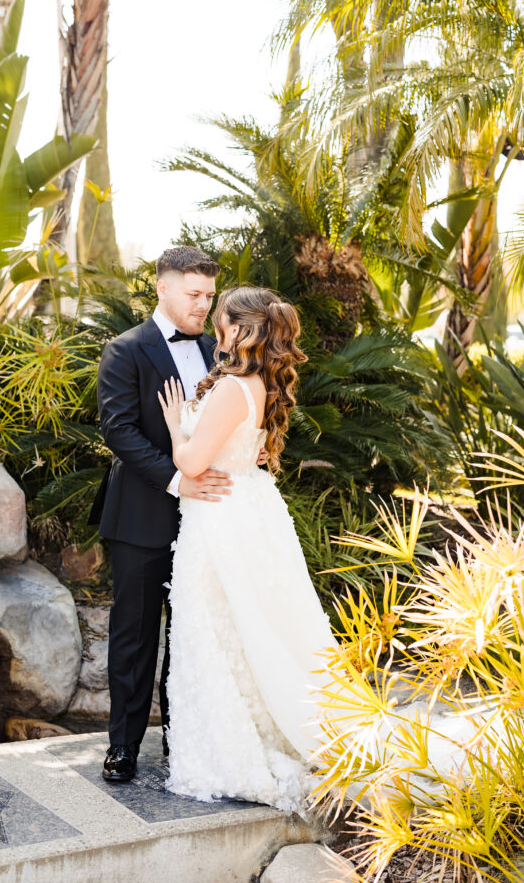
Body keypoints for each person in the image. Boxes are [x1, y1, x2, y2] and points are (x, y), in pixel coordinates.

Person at [157, 285, 340, 813]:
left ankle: (235, 749)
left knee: (216, 631)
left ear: (239, 330)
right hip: (246, 509)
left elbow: (192, 464)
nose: (217, 330)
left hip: (220, 521)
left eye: (222, 321)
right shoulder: (260, 384)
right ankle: (268, 728)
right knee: (248, 628)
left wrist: (175, 428)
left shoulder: (233, 387)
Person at [90, 245, 234, 784]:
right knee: (135, 635)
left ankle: (183, 742)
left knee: (191, 634)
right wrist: (180, 481)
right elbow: (119, 431)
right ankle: (123, 746)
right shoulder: (124, 350)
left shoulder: (220, 353)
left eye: (209, 296)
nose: (203, 305)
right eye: (194, 294)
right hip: (141, 519)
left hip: (205, 523)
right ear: (163, 288)